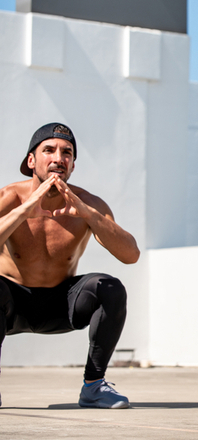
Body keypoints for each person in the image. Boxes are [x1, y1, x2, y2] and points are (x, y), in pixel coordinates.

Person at [0, 123, 140, 409]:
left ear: (73, 165)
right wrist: (24, 211)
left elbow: (131, 254)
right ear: (31, 161)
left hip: (60, 305)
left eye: (67, 153)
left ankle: (93, 386)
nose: (58, 158)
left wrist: (89, 215)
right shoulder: (9, 198)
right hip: (11, 305)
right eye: (48, 150)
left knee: (111, 288)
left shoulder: (87, 203)